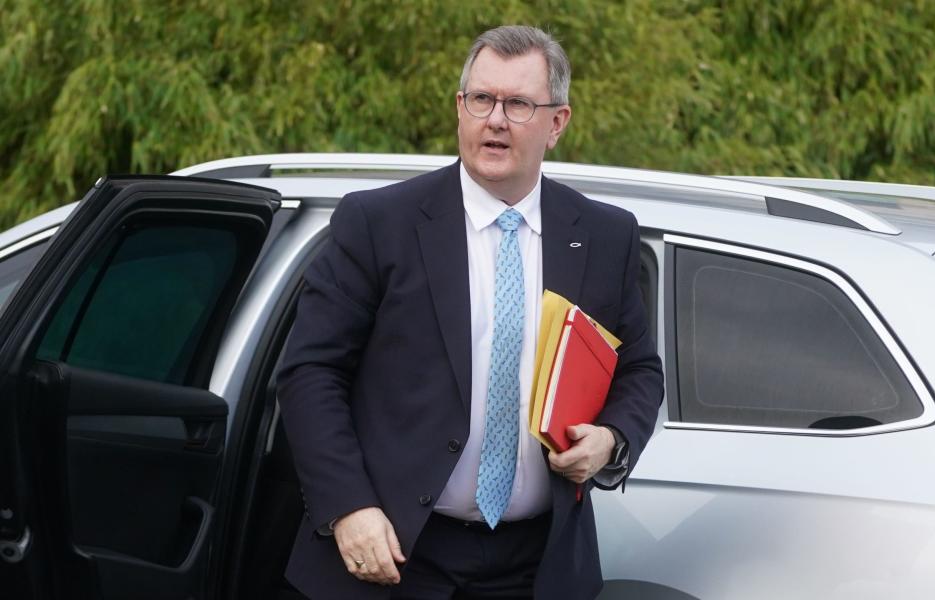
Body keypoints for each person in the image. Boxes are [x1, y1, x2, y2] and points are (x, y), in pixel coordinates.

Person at [277, 25, 664, 600]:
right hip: (395, 554)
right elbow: (310, 373)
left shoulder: (605, 236)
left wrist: (611, 439)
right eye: (481, 99)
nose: (496, 120)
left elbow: (640, 370)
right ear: (461, 108)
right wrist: (348, 508)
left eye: (518, 104)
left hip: (538, 565)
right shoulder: (380, 223)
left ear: (557, 123)